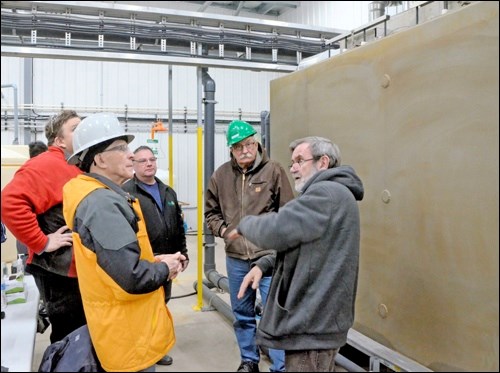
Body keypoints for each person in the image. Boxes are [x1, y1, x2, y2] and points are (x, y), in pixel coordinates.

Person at [62, 112, 185, 372]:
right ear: (99, 159)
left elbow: (113, 261)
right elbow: (131, 277)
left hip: (123, 325)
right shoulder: (101, 204)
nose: (131, 154)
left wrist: (154, 260)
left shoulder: (99, 195)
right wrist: (166, 268)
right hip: (128, 335)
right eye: (121, 148)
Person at [229, 136, 364, 372]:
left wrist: (245, 225)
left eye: (300, 161)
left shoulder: (326, 195)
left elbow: (279, 229)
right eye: (292, 162)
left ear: (323, 162)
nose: (292, 168)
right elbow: (302, 244)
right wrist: (265, 264)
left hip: (313, 325)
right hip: (317, 323)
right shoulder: (332, 194)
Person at [205, 120, 294, 373]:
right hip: (235, 259)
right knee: (242, 314)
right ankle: (249, 360)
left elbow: (288, 212)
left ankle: (280, 367)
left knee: (273, 315)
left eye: (249, 144)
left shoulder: (274, 171)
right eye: (238, 146)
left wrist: (277, 245)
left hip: (268, 257)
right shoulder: (221, 175)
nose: (245, 150)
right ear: (231, 150)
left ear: (256, 143)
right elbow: (211, 212)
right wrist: (222, 230)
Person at [1, 110, 86, 343]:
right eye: (75, 128)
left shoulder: (75, 163)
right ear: (59, 140)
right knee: (70, 337)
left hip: (72, 269)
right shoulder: (48, 163)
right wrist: (43, 242)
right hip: (59, 270)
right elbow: (9, 202)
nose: (83, 131)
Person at [122, 145, 189, 367]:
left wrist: (183, 253)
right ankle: (139, 351)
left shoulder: (168, 191)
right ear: (133, 164)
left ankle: (156, 349)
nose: (149, 163)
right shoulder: (126, 192)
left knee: (162, 305)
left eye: (152, 159)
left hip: (169, 261)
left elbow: (178, 224)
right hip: (144, 262)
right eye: (142, 160)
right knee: (143, 309)